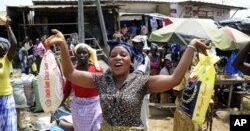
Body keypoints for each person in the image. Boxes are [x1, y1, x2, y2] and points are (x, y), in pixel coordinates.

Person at [45, 29, 210, 130]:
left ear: (131, 61)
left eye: (123, 55)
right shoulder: (101, 80)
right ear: (108, 61)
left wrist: (191, 46)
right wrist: (63, 47)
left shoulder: (141, 81)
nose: (117, 58)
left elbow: (174, 79)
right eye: (113, 55)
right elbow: (70, 74)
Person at [59, 43, 103, 131]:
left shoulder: (97, 70)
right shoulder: (72, 72)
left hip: (94, 106)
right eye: (79, 53)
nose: (81, 55)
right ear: (75, 55)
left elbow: (104, 88)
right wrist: (57, 105)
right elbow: (67, 90)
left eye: (84, 53)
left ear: (89, 55)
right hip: (78, 107)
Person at [0, 16, 18, 131]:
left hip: (6, 97)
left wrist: (8, 26)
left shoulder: (6, 59)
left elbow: (14, 44)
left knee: (8, 127)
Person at [131, 35, 150, 131]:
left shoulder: (144, 58)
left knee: (143, 119)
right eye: (133, 43)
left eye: (136, 44)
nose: (133, 45)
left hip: (142, 93)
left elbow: (138, 73)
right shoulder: (135, 57)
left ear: (142, 45)